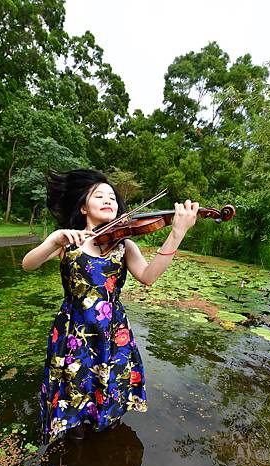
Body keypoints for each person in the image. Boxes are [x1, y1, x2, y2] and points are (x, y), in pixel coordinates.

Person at [22, 169, 198, 444]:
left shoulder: (124, 245)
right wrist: (55, 240)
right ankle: (75, 434)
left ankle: (104, 429)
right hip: (73, 328)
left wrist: (177, 233)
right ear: (83, 207)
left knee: (110, 383)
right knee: (74, 385)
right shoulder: (67, 240)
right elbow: (28, 264)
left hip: (112, 329)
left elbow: (148, 276)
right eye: (99, 196)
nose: (108, 200)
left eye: (112, 198)